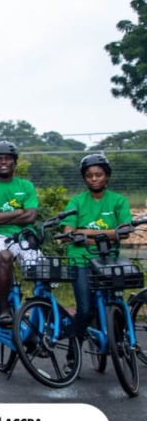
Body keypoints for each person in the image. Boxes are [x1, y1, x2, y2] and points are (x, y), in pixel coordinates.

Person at [60, 153, 132, 368]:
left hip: (108, 260)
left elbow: (126, 231)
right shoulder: (77, 201)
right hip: (80, 260)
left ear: (107, 176)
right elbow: (68, 232)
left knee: (116, 304)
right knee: (84, 310)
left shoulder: (119, 201)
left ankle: (118, 342)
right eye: (89, 175)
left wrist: (85, 233)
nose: (94, 179)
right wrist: (108, 235)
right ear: (85, 178)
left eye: (98, 175)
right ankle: (73, 357)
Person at [0, 141, 40, 326]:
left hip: (25, 236)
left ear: (14, 162)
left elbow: (31, 217)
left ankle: (39, 317)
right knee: (5, 257)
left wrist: (0, 217)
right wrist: (18, 212)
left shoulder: (26, 186)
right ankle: (4, 309)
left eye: (8, 159)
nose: (3, 162)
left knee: (43, 271)